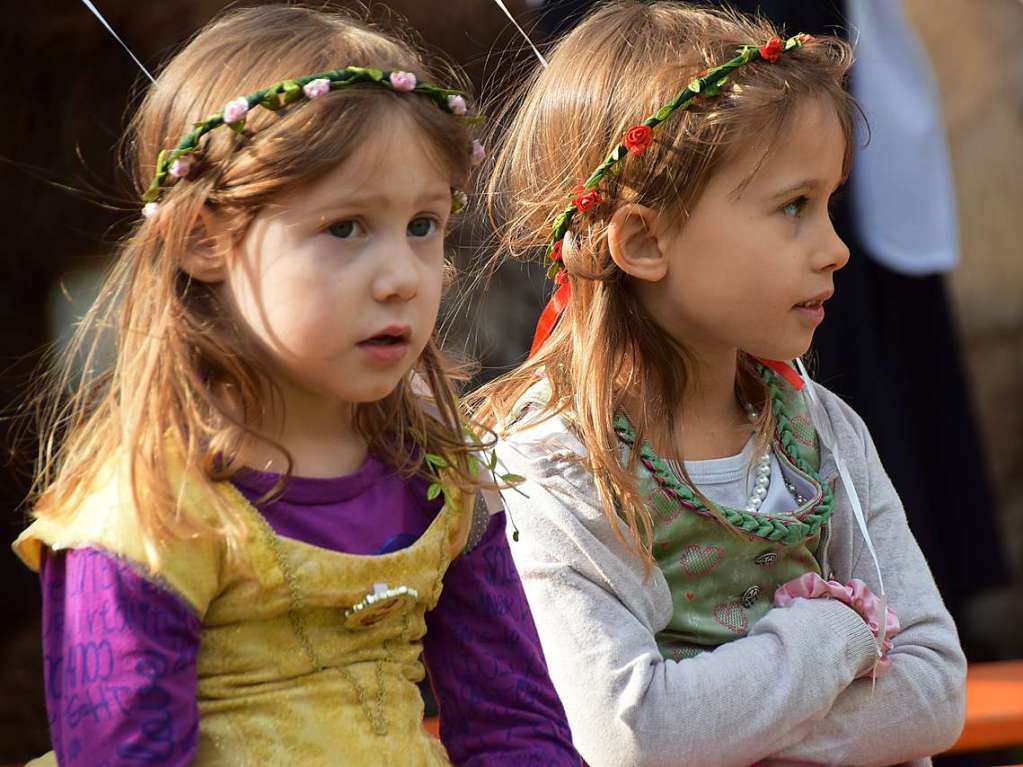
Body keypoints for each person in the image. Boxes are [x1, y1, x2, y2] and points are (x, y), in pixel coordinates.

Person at [11, 5, 575, 765]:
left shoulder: (438, 469)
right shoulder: (149, 507)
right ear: (204, 239)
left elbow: (514, 727)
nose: (401, 278)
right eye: (345, 227)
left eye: (423, 225)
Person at [471, 3, 965, 764]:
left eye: (829, 204)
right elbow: (634, 733)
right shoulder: (554, 462)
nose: (834, 249)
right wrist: (831, 633)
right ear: (641, 238)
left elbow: (932, 689)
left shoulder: (821, 428)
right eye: (791, 207)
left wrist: (732, 732)